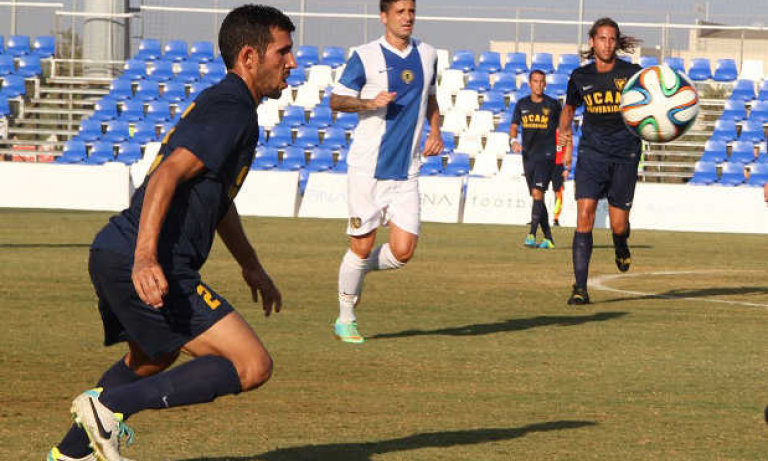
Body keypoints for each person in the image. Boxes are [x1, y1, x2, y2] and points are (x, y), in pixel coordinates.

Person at [47, 5, 295, 461]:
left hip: (114, 250)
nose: (292, 62)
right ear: (249, 56)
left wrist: (252, 266)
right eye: (283, 52)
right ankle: (107, 408)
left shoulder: (231, 107)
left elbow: (218, 204)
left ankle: (71, 454)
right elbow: (166, 176)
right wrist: (145, 257)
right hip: (142, 256)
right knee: (252, 364)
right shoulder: (232, 109)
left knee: (151, 359)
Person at [330, 0, 443, 344]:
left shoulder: (428, 54)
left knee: (403, 251)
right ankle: (345, 318)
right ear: (384, 16)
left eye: (411, 11)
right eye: (400, 12)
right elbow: (336, 100)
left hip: (407, 170)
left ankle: (354, 269)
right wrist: (369, 102)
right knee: (362, 245)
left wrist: (435, 131)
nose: (407, 18)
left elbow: (431, 98)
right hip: (368, 169)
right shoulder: (365, 56)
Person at [557, 17, 642, 305]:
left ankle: (620, 243)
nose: (607, 44)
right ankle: (580, 288)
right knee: (585, 215)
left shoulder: (632, 73)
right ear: (592, 42)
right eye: (602, 38)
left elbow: (652, 102)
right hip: (592, 154)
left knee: (618, 224)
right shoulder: (580, 76)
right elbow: (569, 109)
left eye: (611, 39)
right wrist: (564, 133)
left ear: (617, 43)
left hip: (625, 154)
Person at [510, 69, 562, 250]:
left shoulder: (553, 105)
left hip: (547, 155)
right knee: (536, 196)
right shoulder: (522, 104)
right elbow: (514, 125)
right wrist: (513, 141)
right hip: (528, 156)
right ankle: (548, 238)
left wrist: (564, 151)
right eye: (535, 81)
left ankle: (532, 234)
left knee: (538, 192)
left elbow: (563, 128)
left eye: (541, 81)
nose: (539, 85)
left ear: (545, 84)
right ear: (529, 83)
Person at [551, 131, 571, 227]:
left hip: (558, 166)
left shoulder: (564, 135)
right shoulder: (546, 133)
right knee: (539, 191)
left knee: (558, 193)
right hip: (545, 164)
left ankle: (556, 218)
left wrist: (567, 168)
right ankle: (536, 216)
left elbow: (568, 152)